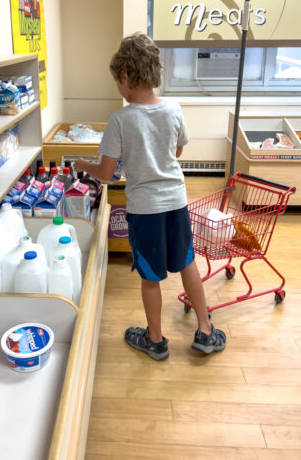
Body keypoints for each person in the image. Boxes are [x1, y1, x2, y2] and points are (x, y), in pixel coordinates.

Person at [74, 33, 226, 360]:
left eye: (117, 80)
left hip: (144, 210)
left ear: (126, 77)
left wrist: (81, 163)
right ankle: (205, 331)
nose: (118, 86)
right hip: (176, 201)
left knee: (150, 277)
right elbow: (178, 149)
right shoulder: (173, 108)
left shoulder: (120, 119)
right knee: (187, 263)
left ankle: (155, 340)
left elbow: (106, 173)